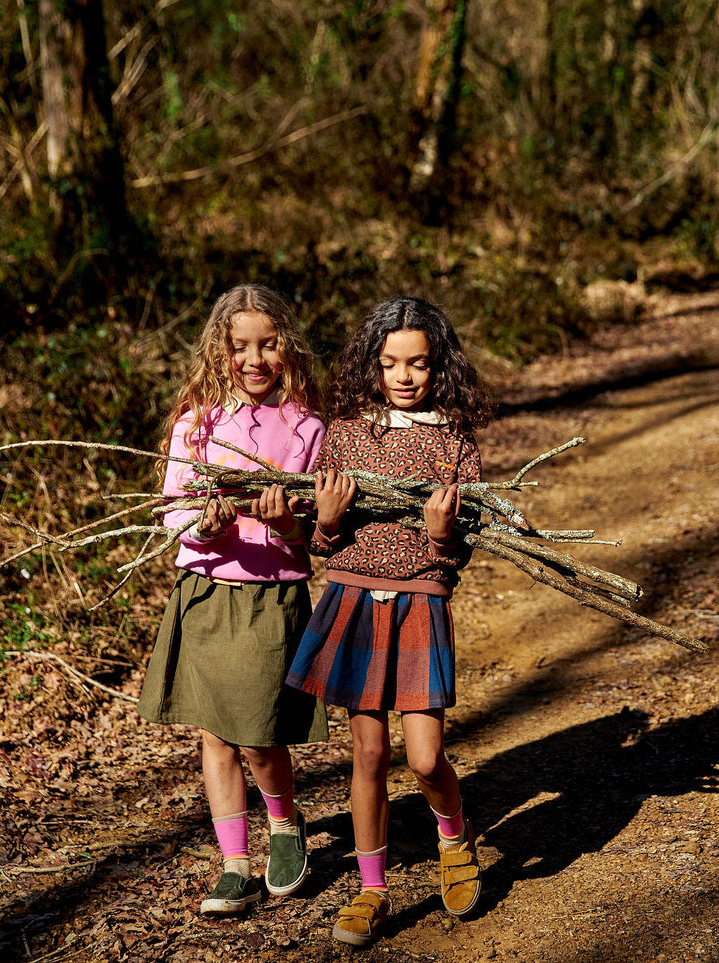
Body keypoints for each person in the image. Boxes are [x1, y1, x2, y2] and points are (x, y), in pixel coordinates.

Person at [285, 296, 494, 946]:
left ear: (439, 367)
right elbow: (321, 543)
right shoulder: (345, 435)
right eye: (390, 363)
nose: (403, 376)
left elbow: (456, 555)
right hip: (351, 598)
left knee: (426, 756)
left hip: (419, 604)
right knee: (368, 752)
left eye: (418, 364)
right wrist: (322, 518)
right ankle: (371, 888)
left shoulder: (454, 445)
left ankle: (453, 834)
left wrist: (437, 537)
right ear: (371, 364)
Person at [137, 283, 329, 916]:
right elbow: (173, 513)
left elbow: (314, 528)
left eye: (268, 345)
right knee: (215, 735)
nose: (254, 359)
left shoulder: (306, 427)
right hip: (205, 591)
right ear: (218, 350)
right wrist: (205, 525)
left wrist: (287, 523)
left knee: (258, 735)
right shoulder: (197, 423)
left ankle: (284, 822)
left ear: (288, 347)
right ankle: (234, 862)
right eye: (239, 346)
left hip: (270, 598)